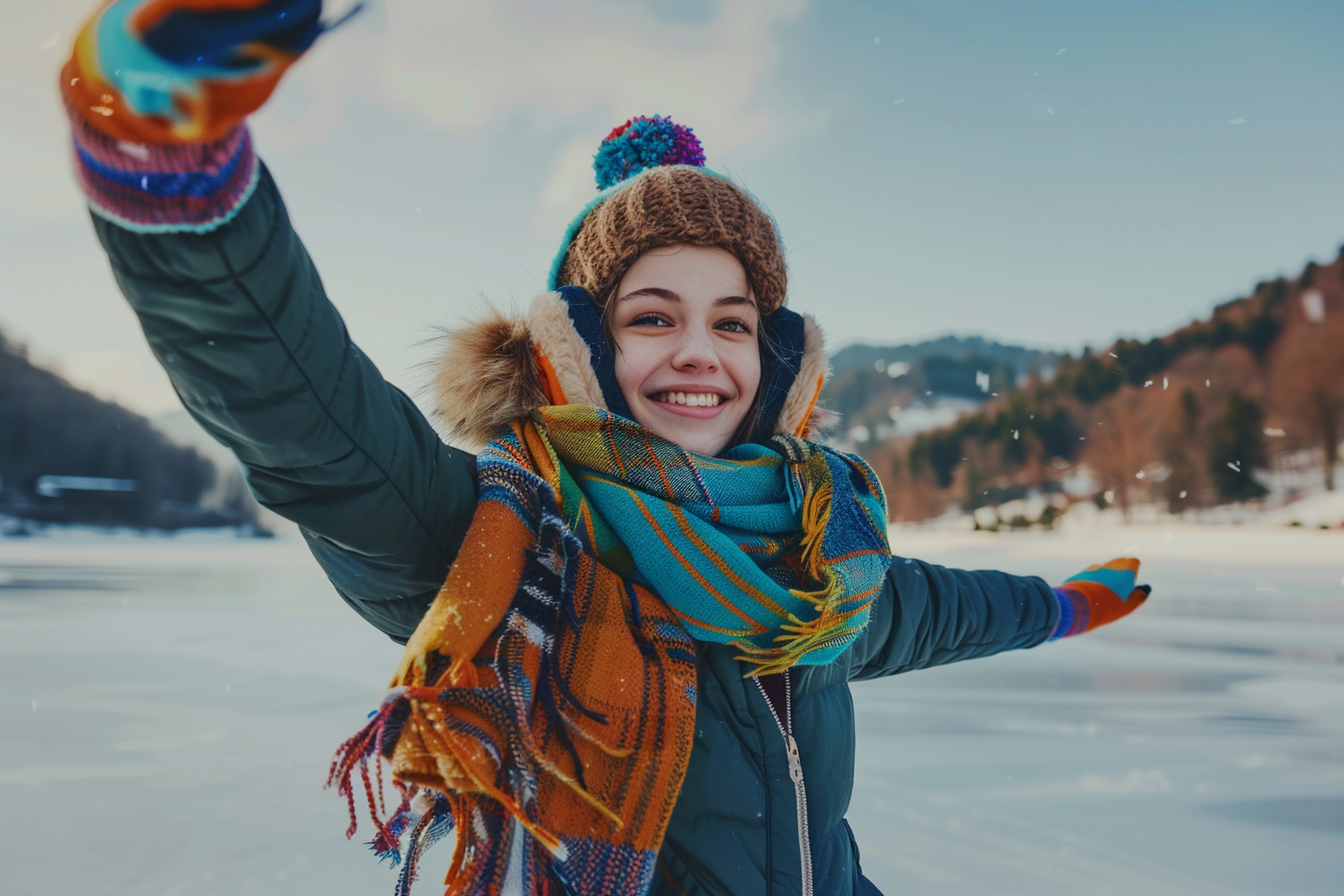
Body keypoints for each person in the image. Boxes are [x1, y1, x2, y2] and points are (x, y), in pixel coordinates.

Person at [59, 3, 1151, 895]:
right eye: (650, 315)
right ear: (577, 346)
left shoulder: (819, 565)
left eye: (731, 320)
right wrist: (174, 171)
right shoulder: (500, 548)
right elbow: (308, 418)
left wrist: (1063, 604)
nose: (698, 353)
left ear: (773, 356)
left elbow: (943, 608)